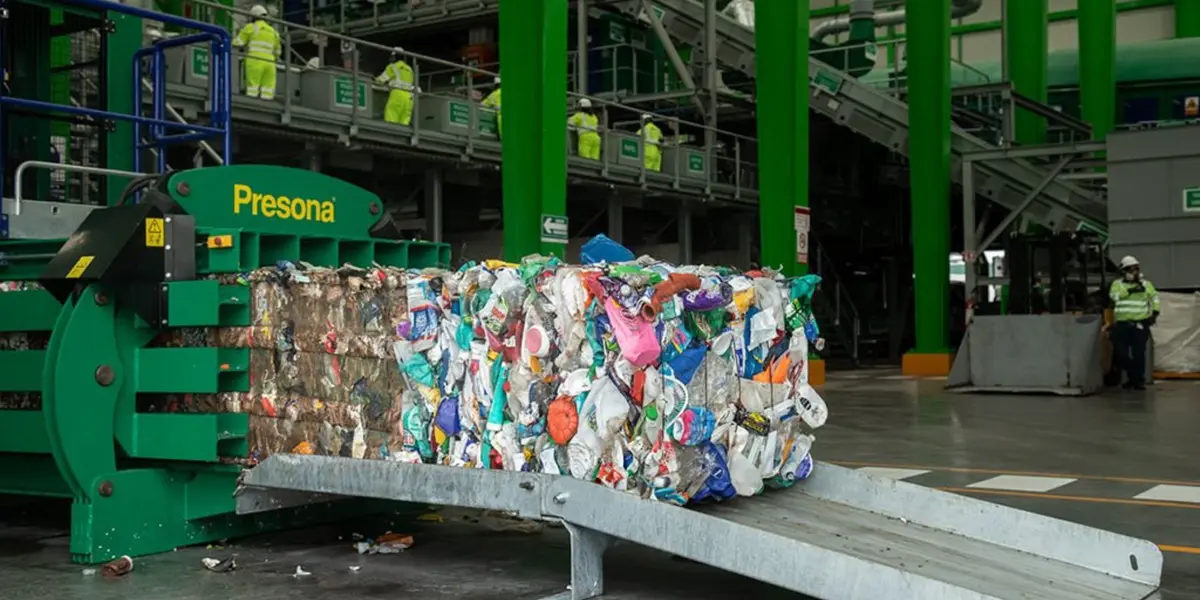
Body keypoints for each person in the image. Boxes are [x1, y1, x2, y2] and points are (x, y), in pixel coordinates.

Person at [1109, 255, 1160, 390]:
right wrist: (1130, 290)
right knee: (1121, 354)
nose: (1134, 272)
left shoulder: (1146, 284)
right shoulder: (1117, 284)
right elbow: (1115, 297)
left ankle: (1137, 381)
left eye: (1136, 269)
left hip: (1140, 323)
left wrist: (1154, 313)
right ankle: (1134, 376)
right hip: (1122, 324)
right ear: (1124, 271)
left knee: (1139, 353)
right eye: (1131, 270)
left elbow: (1154, 297)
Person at [234, 5, 281, 100]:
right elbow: (278, 52)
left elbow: (237, 43)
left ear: (253, 16)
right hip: (270, 63)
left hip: (255, 60)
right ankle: (266, 106)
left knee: (253, 87)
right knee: (267, 89)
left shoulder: (251, 27)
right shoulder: (273, 31)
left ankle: (252, 104)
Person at [377, 47, 416, 126]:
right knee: (404, 122)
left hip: (397, 95)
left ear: (395, 57)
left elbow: (380, 80)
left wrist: (373, 79)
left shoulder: (392, 67)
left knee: (391, 119)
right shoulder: (410, 69)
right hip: (409, 98)